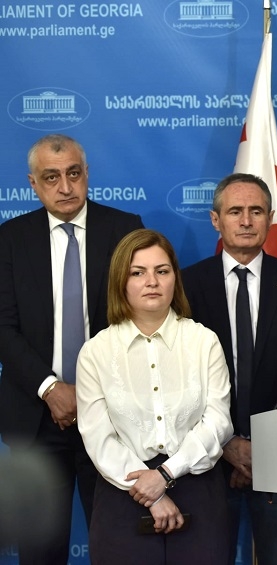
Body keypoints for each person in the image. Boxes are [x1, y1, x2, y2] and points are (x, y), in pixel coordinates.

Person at [0, 134, 143, 564]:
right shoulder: (10, 238)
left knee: (118, 546)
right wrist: (50, 388)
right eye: (51, 177)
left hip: (114, 415)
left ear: (86, 174)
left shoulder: (125, 229)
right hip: (37, 417)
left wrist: (90, 394)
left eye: (74, 174)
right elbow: (3, 327)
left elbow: (139, 319)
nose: (65, 187)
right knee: (40, 550)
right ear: (33, 183)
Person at [75, 229, 233, 564]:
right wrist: (152, 494)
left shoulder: (203, 341)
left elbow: (218, 422)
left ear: (175, 277)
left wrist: (165, 475)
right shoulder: (95, 352)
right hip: (123, 492)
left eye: (162, 271)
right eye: (138, 273)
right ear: (120, 281)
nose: (152, 282)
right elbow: (98, 437)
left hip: (197, 486)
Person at [182, 173, 277, 565]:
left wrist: (262, 444)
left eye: (256, 211)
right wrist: (227, 444)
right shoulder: (187, 283)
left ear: (270, 218)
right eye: (235, 211)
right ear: (215, 220)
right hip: (206, 456)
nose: (245, 221)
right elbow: (182, 376)